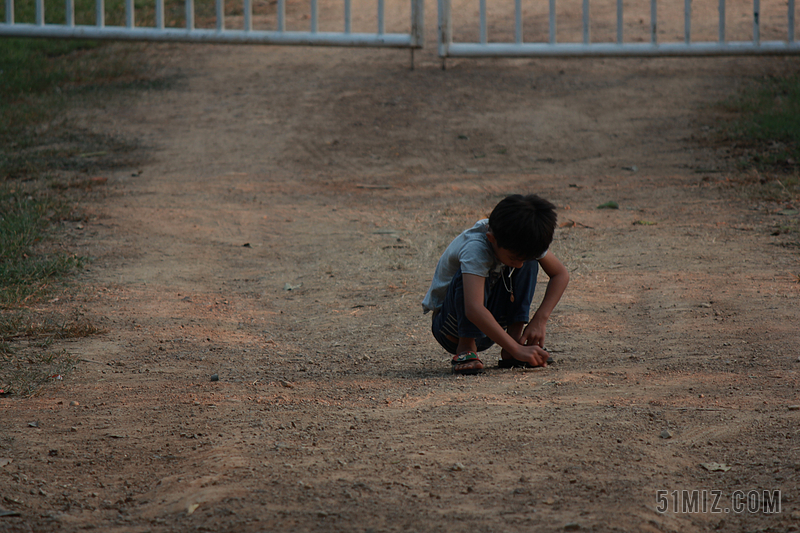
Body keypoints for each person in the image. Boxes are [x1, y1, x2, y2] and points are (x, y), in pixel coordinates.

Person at [422, 194, 569, 375]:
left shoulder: (525, 236)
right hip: (451, 327)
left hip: (491, 326)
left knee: (529, 260)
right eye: (514, 257)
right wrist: (519, 351)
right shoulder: (476, 246)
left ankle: (514, 342)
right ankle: (466, 348)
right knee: (468, 271)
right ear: (491, 239)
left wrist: (540, 319)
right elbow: (473, 308)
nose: (519, 264)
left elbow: (560, 274)